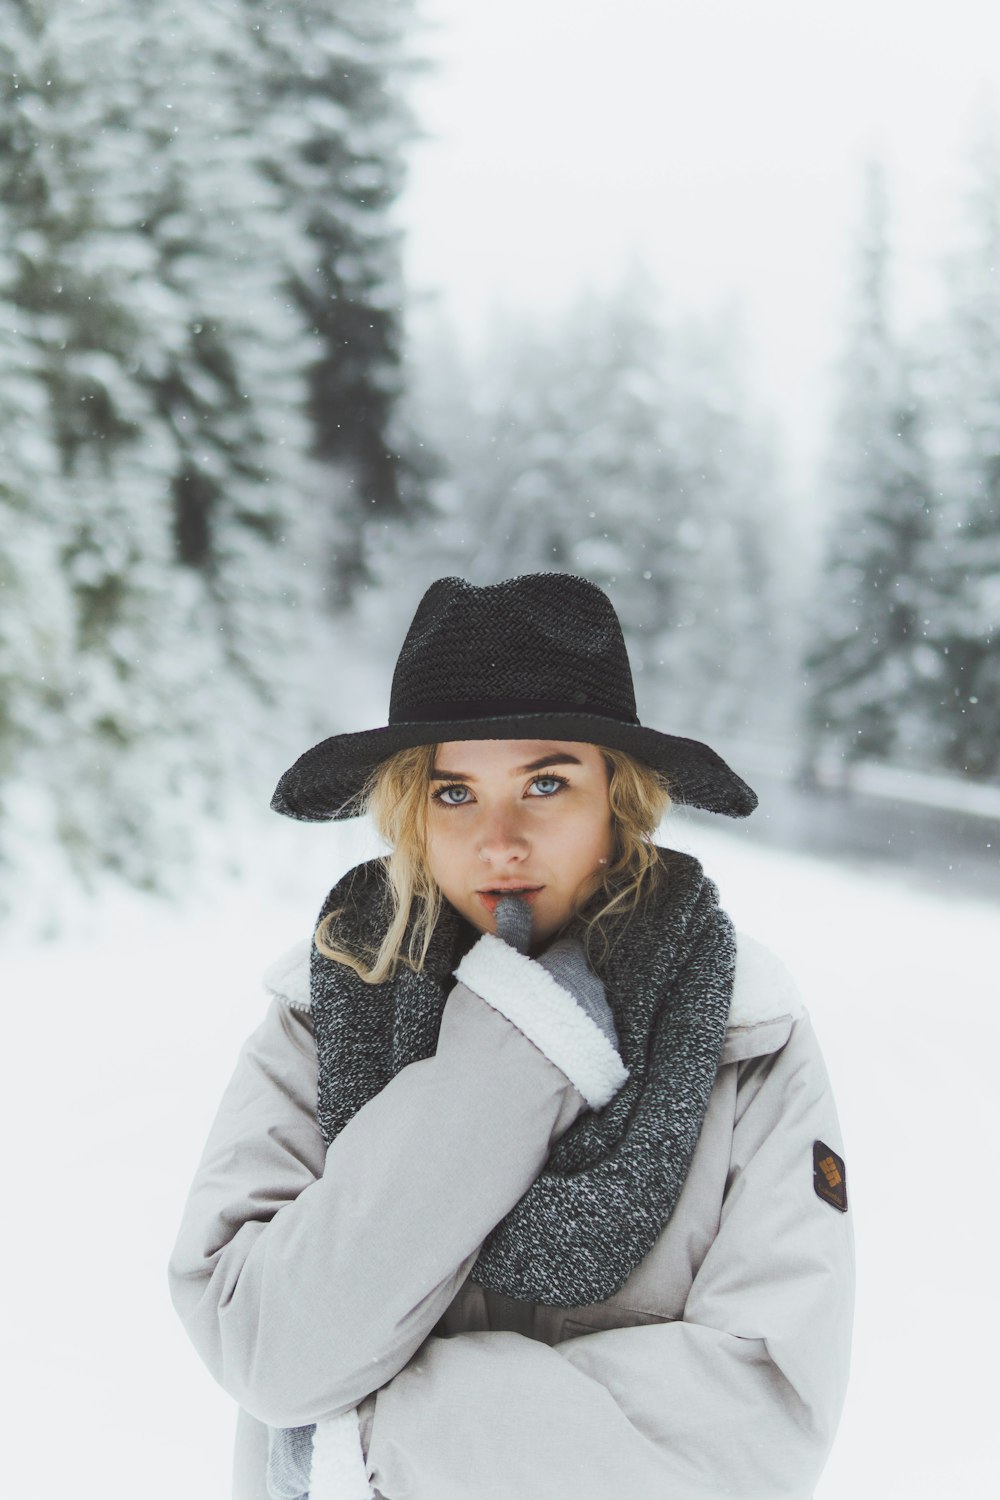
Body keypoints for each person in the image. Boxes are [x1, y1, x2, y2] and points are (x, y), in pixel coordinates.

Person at [168, 572, 854, 1500]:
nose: (500, 841)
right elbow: (264, 1347)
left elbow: (759, 1431)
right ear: (415, 807)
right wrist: (512, 1055)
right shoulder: (324, 1006)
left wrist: (372, 1433)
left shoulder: (746, 1035)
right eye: (455, 793)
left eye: (545, 782)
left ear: (620, 800)